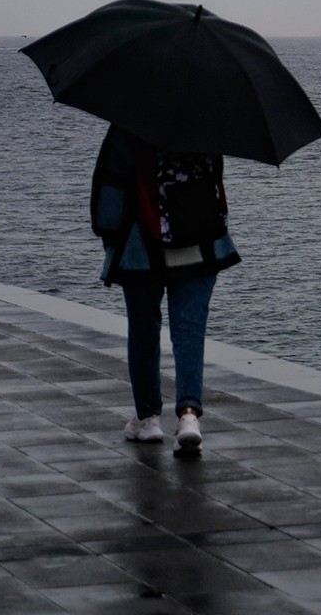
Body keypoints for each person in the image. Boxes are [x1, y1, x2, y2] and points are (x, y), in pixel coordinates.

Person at [90, 125, 239, 450]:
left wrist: (109, 240)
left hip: (141, 248)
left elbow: (110, 188)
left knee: (143, 329)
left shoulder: (130, 125)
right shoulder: (207, 125)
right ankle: (188, 415)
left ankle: (148, 419)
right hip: (199, 244)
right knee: (189, 331)